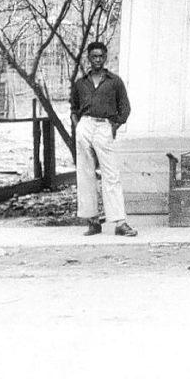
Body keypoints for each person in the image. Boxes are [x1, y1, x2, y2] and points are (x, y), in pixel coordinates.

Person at [70, 41, 135, 237]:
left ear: (105, 58)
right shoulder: (80, 83)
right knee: (85, 173)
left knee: (111, 174)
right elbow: (73, 109)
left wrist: (114, 126)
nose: (97, 60)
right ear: (88, 58)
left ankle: (120, 223)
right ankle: (92, 221)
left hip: (104, 126)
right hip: (85, 125)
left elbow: (125, 108)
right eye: (94, 56)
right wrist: (78, 127)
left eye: (100, 56)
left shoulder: (115, 81)